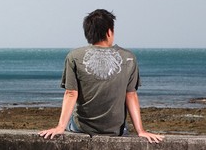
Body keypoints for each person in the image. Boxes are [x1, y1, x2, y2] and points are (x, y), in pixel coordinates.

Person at [39, 9, 164, 143]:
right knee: (124, 126)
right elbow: (131, 95)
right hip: (116, 130)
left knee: (73, 121)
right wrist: (141, 131)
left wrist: (60, 127)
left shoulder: (74, 56)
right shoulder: (129, 58)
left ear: (88, 33)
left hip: (82, 127)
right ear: (109, 32)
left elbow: (70, 93)